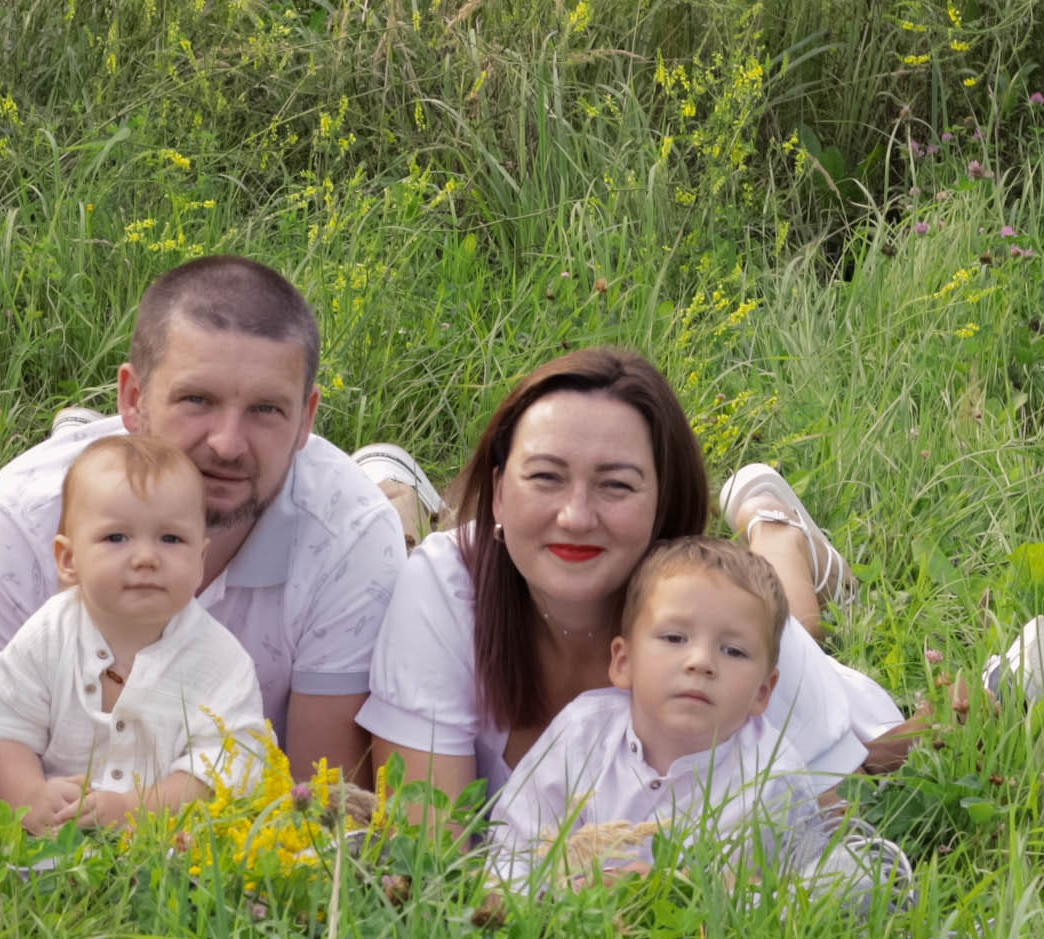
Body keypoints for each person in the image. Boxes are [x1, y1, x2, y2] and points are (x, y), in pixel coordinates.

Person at [0, 256, 408, 792]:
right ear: (134, 399)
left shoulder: (350, 539)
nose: (227, 443)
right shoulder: (21, 514)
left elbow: (323, 796)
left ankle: (395, 487)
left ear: (307, 417)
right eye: (197, 400)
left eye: (266, 409)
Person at [361, 347, 909, 812]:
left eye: (616, 485)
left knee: (799, 629)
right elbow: (431, 853)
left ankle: (775, 529)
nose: (576, 516)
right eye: (546, 476)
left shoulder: (723, 612)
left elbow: (831, 827)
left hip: (791, 667)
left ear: (661, 500)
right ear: (499, 492)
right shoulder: (443, 589)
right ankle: (392, 494)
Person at [483, 537, 829, 888]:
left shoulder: (772, 782)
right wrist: (553, 898)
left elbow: (798, 895)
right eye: (675, 638)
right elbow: (513, 847)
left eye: (733, 651)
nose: (701, 662)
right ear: (624, 661)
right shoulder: (582, 736)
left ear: (762, 692)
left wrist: (678, 891)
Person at [0, 435, 269, 833]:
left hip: (169, 848)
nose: (146, 558)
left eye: (171, 539)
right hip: (54, 836)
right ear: (68, 559)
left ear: (199, 560)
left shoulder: (221, 663)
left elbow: (223, 769)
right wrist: (28, 796)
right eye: (116, 538)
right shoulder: (48, 635)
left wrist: (132, 810)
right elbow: (3, 728)